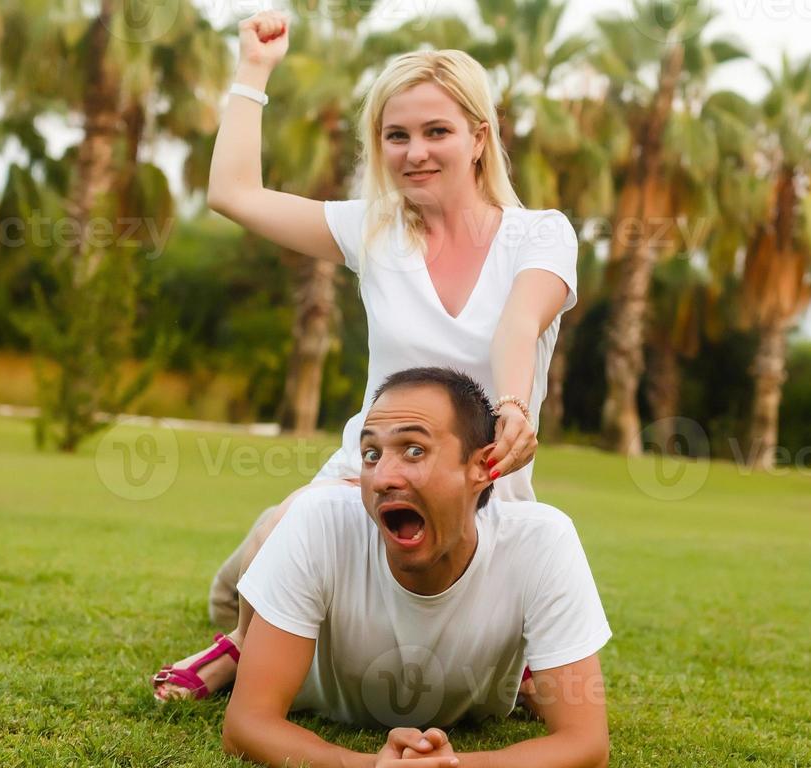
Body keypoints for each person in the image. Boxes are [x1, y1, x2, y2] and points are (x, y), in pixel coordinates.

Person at [152, 11, 579, 700]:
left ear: (478, 138)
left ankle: (512, 654)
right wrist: (253, 72)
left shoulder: (540, 234)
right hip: (364, 475)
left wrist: (509, 408)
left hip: (482, 484)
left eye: (437, 131)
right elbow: (233, 195)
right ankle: (239, 644)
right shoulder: (375, 231)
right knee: (276, 540)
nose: (415, 152)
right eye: (396, 136)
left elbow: (518, 323)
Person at [216, 368, 610, 768]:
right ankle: (236, 644)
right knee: (267, 539)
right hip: (287, 577)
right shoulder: (317, 521)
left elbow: (587, 746)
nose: (383, 476)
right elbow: (247, 724)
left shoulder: (543, 540)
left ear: (482, 466)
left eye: (414, 450)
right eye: (370, 454)